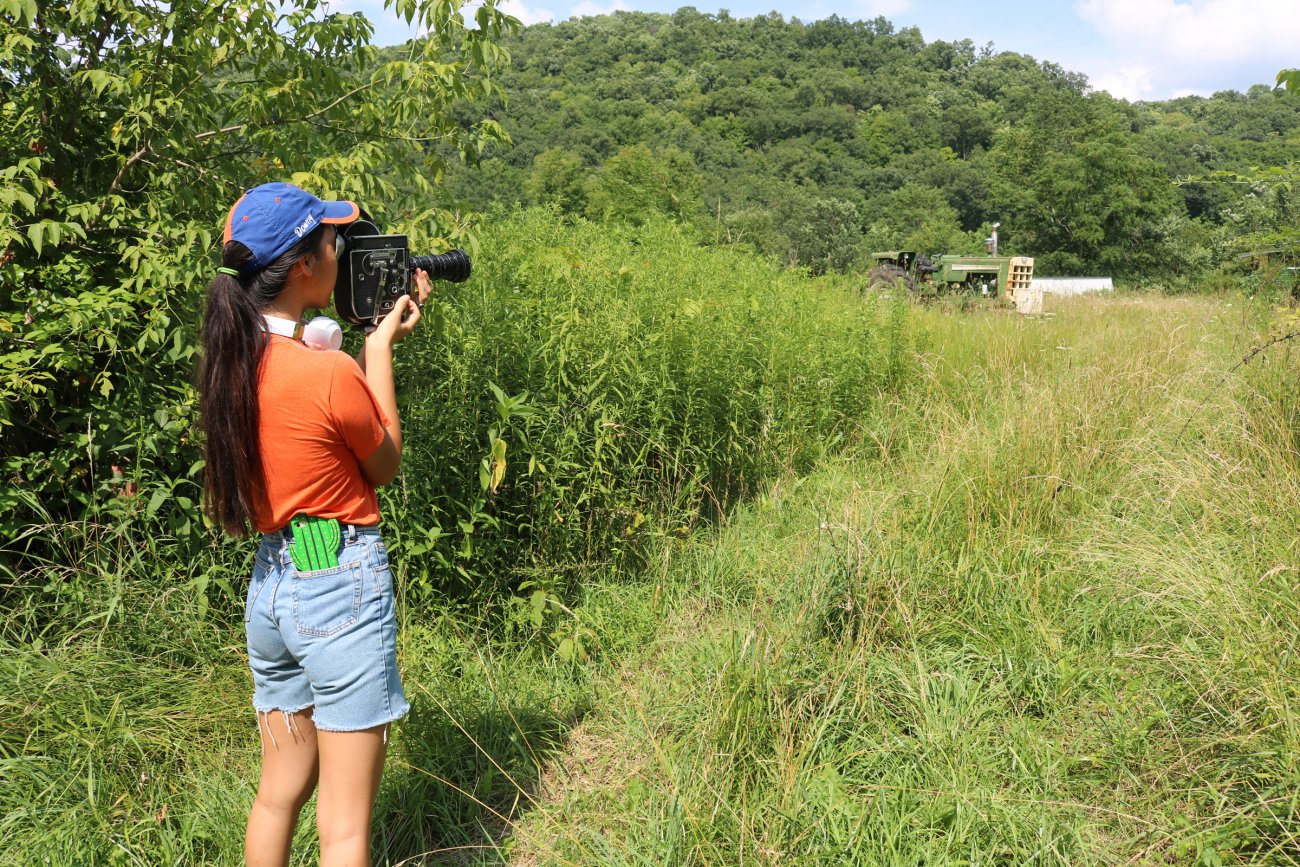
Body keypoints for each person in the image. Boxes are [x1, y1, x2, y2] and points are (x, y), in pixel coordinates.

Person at [197, 182, 431, 867]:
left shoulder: (231, 367)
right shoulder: (326, 373)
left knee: (278, 794)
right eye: (331, 241)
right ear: (303, 264)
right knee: (346, 829)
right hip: (339, 590)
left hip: (272, 587)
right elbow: (383, 461)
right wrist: (378, 347)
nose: (339, 251)